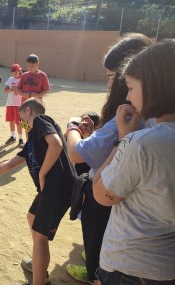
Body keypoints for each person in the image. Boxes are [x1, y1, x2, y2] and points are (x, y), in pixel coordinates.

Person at [65, 33, 152, 283]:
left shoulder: (127, 115)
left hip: (106, 198)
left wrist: (72, 127)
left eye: (112, 77)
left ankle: (93, 273)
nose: (110, 84)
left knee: (99, 254)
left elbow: (75, 152)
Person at [0, 98, 77, 285]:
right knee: (32, 218)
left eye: (22, 117)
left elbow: (57, 144)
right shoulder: (32, 140)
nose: (22, 122)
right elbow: (10, 164)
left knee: (40, 237)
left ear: (28, 110)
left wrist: (42, 173)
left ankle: (39, 279)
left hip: (57, 188)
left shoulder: (41, 120)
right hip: (50, 190)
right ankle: (39, 266)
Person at [93, 39, 175, 284]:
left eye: (130, 87)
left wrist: (123, 138)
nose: (128, 95)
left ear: (153, 86)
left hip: (130, 267)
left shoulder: (141, 143)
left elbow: (101, 193)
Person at [4, 64, 24, 148]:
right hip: (10, 103)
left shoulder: (22, 80)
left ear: (19, 71)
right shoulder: (10, 79)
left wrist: (18, 89)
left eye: (16, 73)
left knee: (18, 122)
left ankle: (21, 139)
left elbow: (24, 90)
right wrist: (12, 89)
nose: (14, 75)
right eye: (12, 73)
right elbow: (5, 90)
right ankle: (13, 136)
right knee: (11, 120)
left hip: (18, 104)